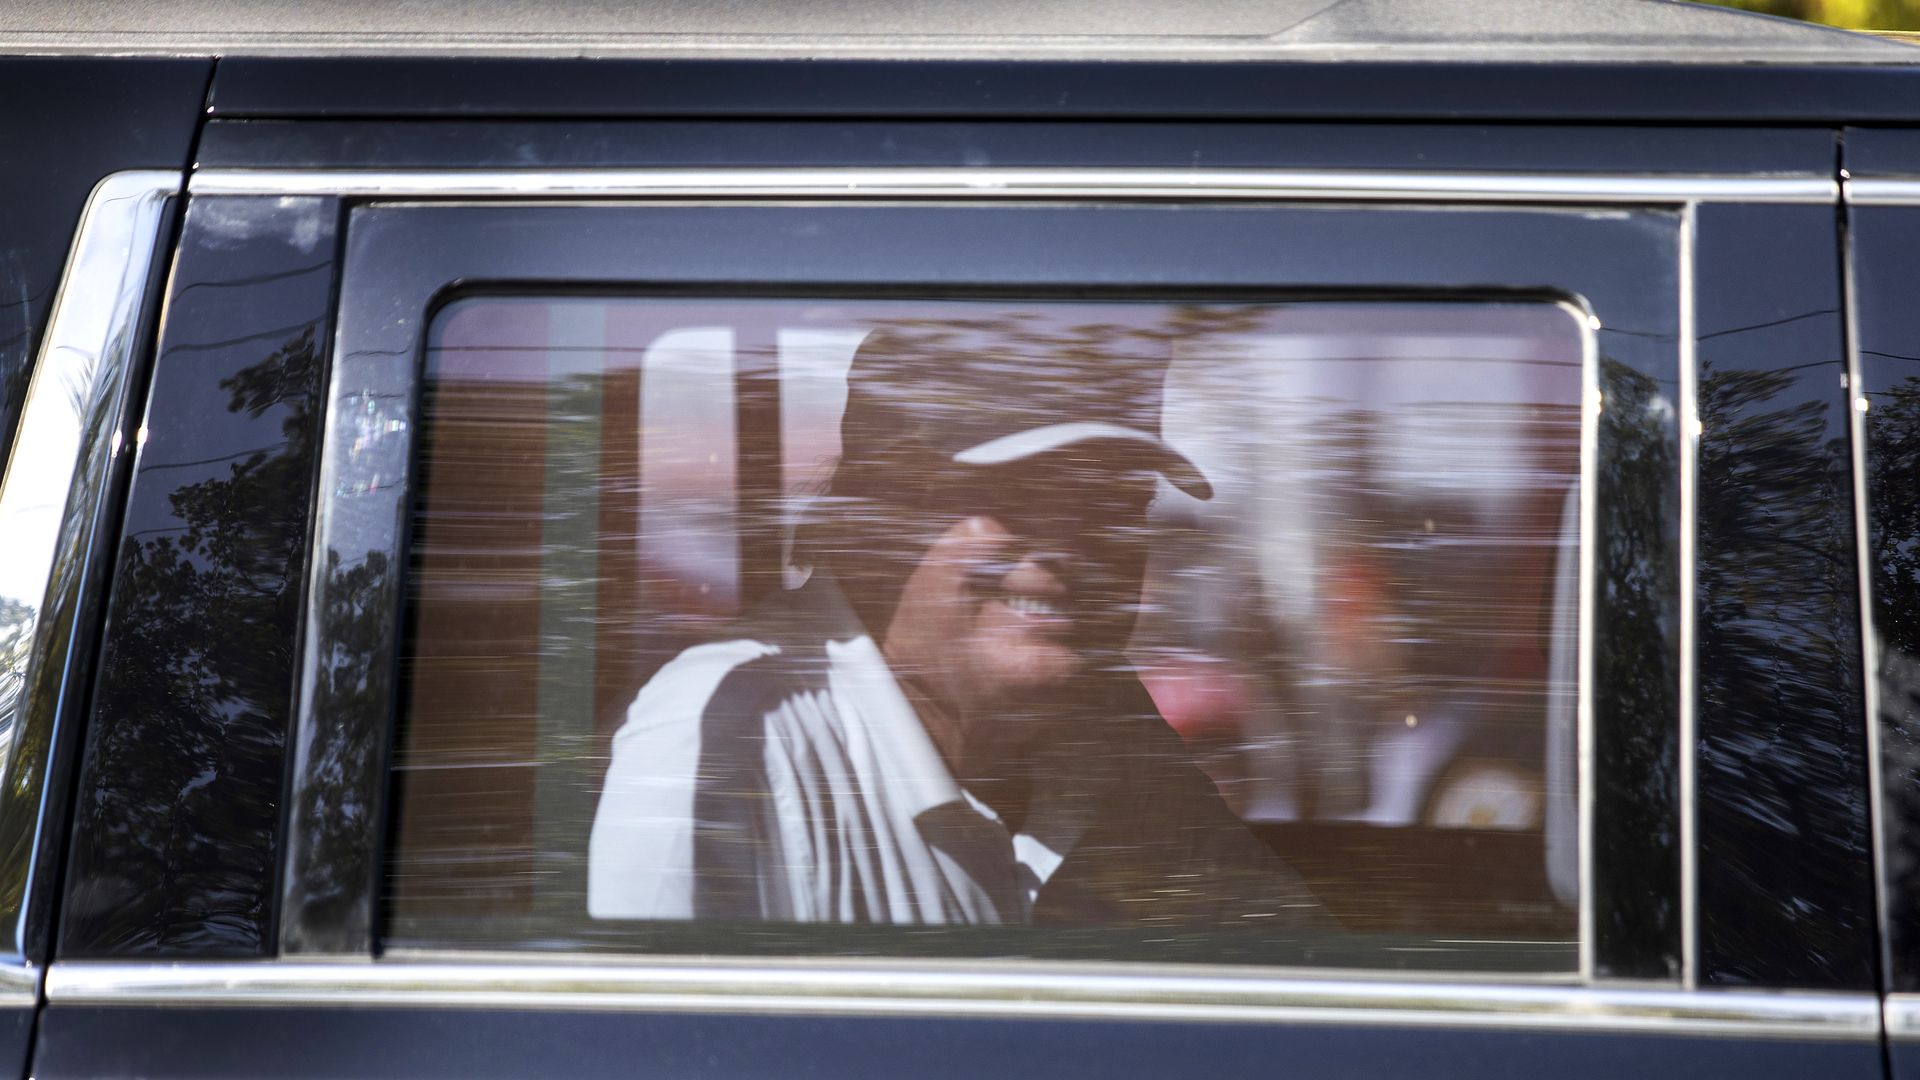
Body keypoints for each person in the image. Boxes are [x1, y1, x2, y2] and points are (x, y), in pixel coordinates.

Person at [587, 321, 1324, 928]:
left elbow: (1285, 969)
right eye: (1017, 497)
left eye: (1115, 504)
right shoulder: (728, 732)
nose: (1071, 548)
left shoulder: (1105, 721)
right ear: (882, 508)